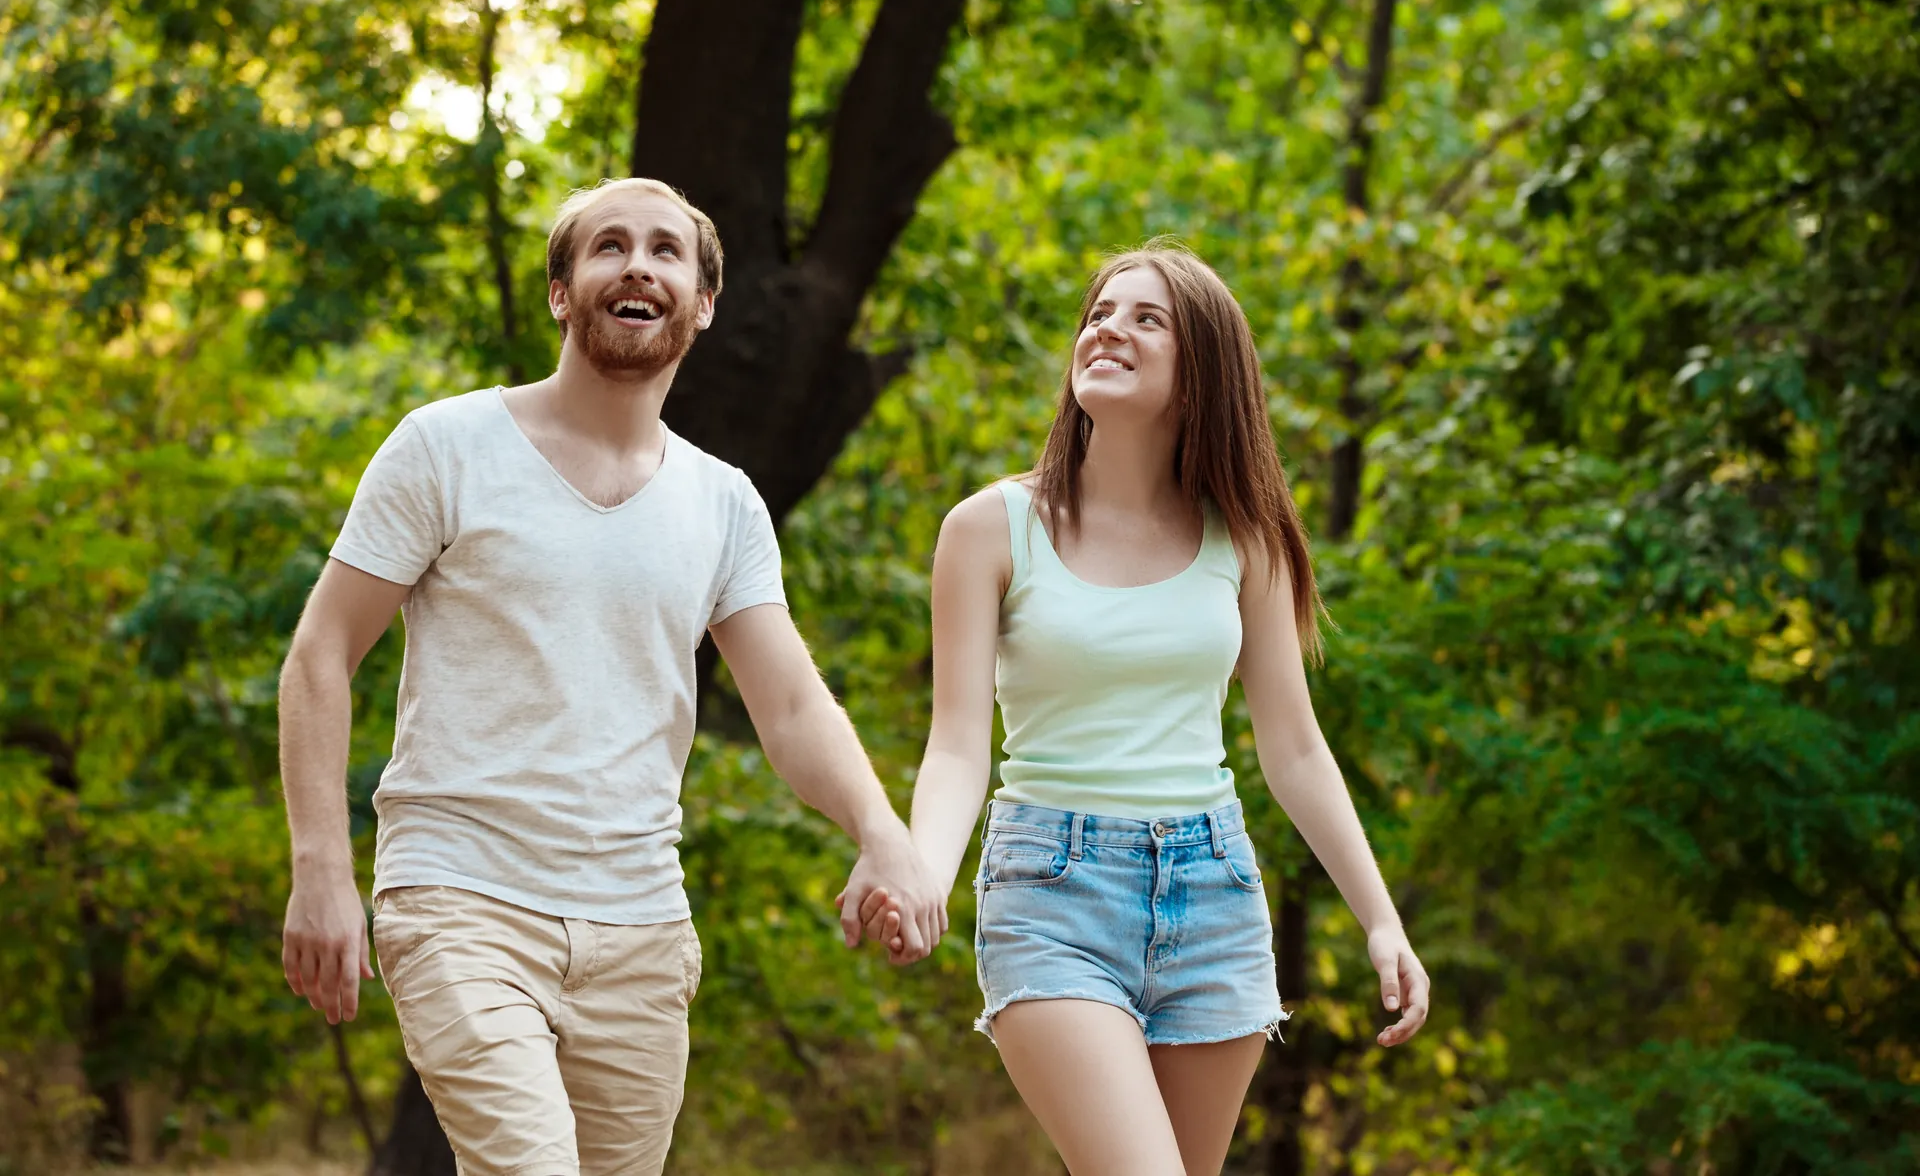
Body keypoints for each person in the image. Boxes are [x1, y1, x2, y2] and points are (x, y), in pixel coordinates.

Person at [277, 177, 942, 1176]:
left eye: (667, 250)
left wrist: (883, 834)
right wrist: (322, 867)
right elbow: (321, 653)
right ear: (563, 292)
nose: (639, 265)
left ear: (703, 304)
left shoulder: (724, 504)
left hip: (642, 930)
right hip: (462, 900)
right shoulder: (445, 447)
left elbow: (793, 704)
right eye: (609, 246)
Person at [871, 239, 1431, 1174]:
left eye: (1145, 319)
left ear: (1201, 368)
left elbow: (1295, 748)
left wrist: (1381, 919)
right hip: (1052, 893)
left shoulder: (1246, 540)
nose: (1108, 330)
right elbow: (959, 746)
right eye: (1098, 314)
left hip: (1214, 893)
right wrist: (925, 868)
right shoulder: (989, 529)